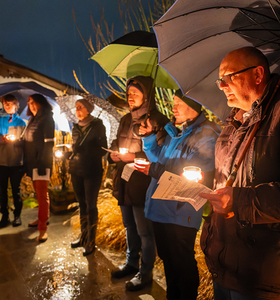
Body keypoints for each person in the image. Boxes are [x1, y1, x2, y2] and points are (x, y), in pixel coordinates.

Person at [199, 47, 280, 300]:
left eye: (229, 77)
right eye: (219, 80)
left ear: (258, 75)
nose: (222, 86)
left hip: (260, 273)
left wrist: (238, 200)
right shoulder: (232, 122)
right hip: (223, 259)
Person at [136, 89, 219, 300]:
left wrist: (154, 170)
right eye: (173, 102)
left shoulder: (206, 135)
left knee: (182, 264)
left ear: (194, 105)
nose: (173, 107)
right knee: (168, 261)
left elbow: (191, 177)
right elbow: (160, 160)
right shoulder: (176, 131)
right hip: (161, 208)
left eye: (178, 103)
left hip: (181, 212)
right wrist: (148, 138)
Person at [109, 75, 169, 291]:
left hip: (143, 185)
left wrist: (133, 158)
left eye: (135, 92)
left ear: (147, 95)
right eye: (128, 93)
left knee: (145, 232)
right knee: (129, 227)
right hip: (124, 183)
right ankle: (131, 263)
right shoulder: (126, 120)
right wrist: (114, 155)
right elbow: (116, 142)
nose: (130, 96)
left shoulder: (158, 120)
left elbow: (162, 155)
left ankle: (145, 274)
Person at [69, 99, 107, 256]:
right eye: (76, 107)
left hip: (92, 170)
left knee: (91, 205)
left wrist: (87, 149)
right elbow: (74, 147)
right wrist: (72, 150)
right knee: (82, 204)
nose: (77, 110)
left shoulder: (97, 126)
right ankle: (84, 237)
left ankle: (91, 240)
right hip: (76, 169)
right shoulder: (75, 127)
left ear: (88, 110)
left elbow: (103, 148)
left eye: (80, 107)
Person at [0, 94, 26, 228]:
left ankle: (17, 216)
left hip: (16, 163)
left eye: (9, 104)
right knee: (2, 191)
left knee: (16, 190)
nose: (6, 106)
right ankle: (4, 216)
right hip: (1, 162)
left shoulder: (21, 123)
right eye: (4, 104)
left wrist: (17, 141)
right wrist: (3, 139)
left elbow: (25, 142)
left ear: (16, 105)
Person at [23, 93, 54, 242]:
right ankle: (41, 218)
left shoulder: (47, 118)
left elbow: (49, 144)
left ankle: (43, 229)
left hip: (42, 163)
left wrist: (43, 163)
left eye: (34, 102)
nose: (32, 105)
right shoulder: (32, 120)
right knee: (38, 193)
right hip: (32, 163)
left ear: (41, 102)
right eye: (29, 102)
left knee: (42, 195)